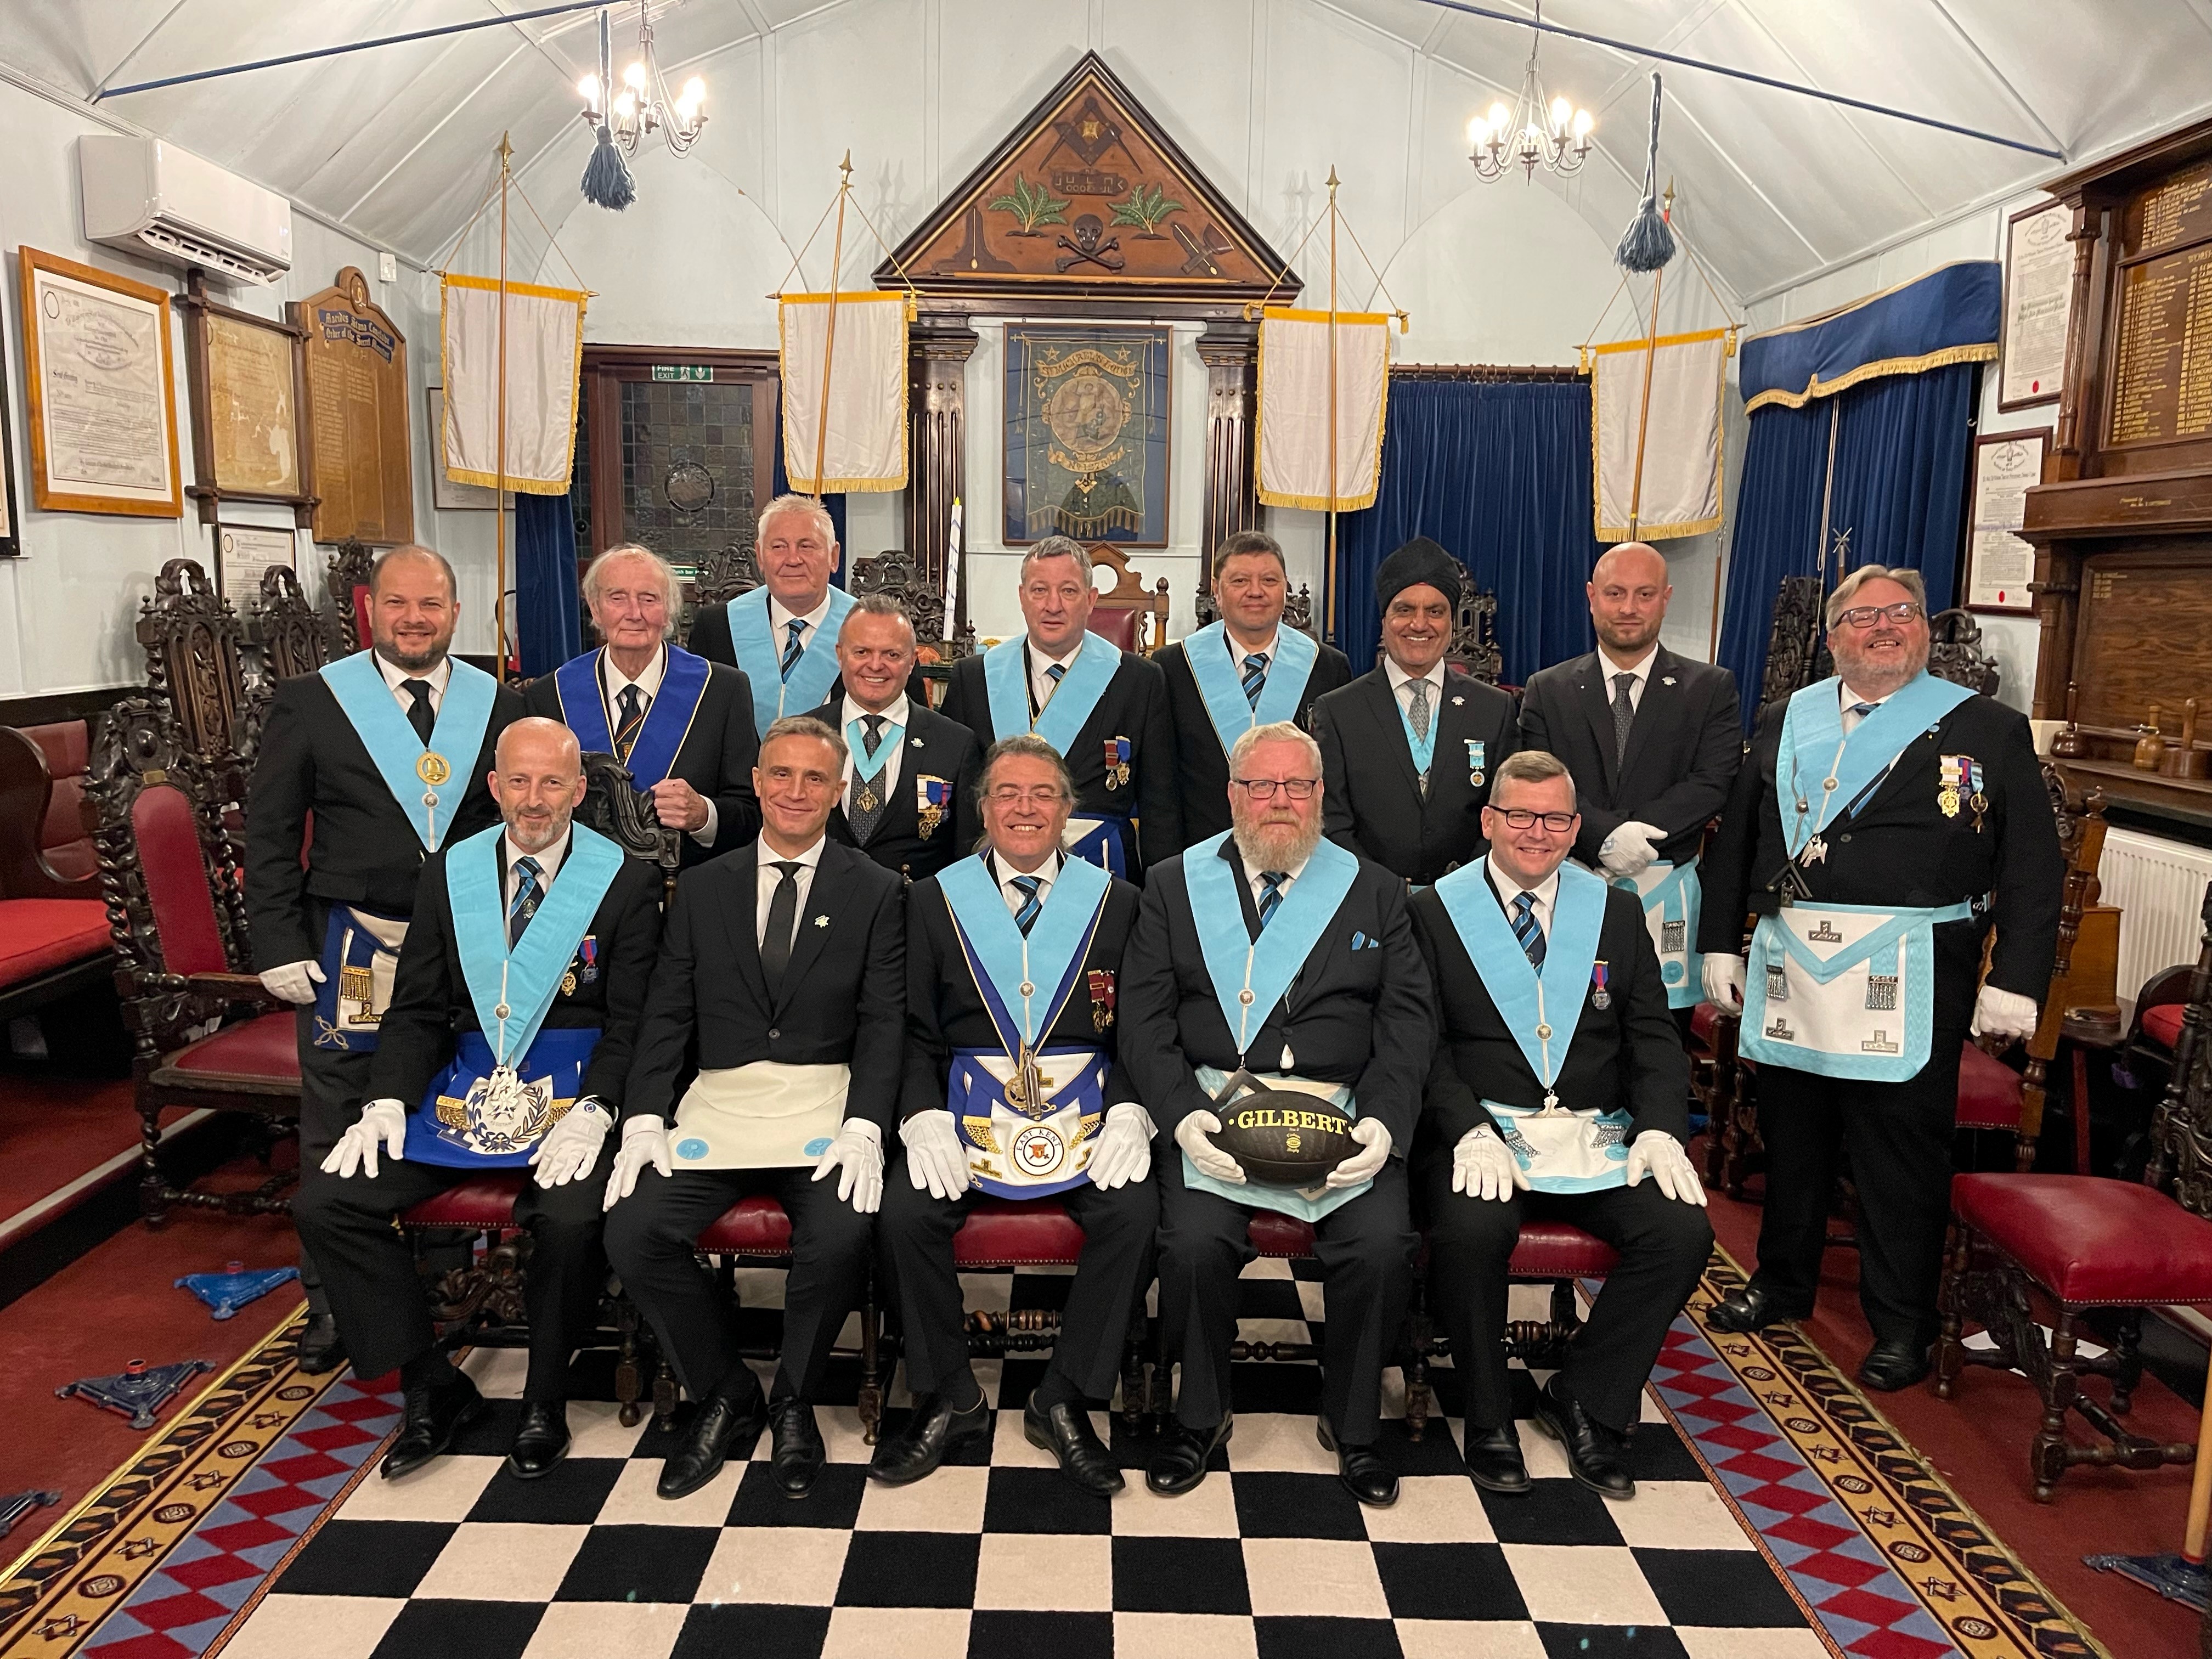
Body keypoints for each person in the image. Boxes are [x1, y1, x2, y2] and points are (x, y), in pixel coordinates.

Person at [1699, 566, 2061, 1390]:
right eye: (1864, 618)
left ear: (1925, 630)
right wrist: (1720, 943)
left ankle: (1902, 1322)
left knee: (1896, 1150)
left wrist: (2016, 981)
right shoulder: (1784, 720)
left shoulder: (1988, 729)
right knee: (1791, 1130)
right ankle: (1782, 1281)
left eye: (1902, 613)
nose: (1885, 628)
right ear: (1834, 639)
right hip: (1796, 956)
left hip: (1916, 966)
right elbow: (1742, 843)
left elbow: (2035, 869)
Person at [292, 719, 662, 1481]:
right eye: (519, 782)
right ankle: (431, 1383)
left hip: (570, 1094)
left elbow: (634, 1023)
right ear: (494, 787)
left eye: (553, 783)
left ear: (579, 792)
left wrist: (600, 1108)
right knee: (328, 1201)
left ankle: (545, 1398)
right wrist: (388, 1100)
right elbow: (420, 1008)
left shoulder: (623, 878)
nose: (535, 801)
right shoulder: (451, 872)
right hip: (461, 1091)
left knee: (566, 1220)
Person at [1121, 721, 1431, 1506]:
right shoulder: (1172, 883)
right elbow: (1145, 1021)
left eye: (1298, 786)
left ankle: (1354, 1424)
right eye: (1262, 785)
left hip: (1340, 1114)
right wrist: (1182, 1115)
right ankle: (1201, 1415)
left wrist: (1386, 1124)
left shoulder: (1375, 888)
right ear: (1233, 796)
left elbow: (1407, 1023)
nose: (1280, 801)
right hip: (1217, 1109)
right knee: (1190, 1244)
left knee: (1385, 1245)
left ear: (1321, 795)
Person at [603, 716, 905, 1499]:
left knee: (840, 1233)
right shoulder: (702, 888)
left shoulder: (875, 891)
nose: (795, 791)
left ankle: (795, 1399)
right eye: (781, 774)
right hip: (720, 1110)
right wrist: (642, 1116)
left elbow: (882, 1024)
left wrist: (868, 1126)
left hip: (821, 1109)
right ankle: (725, 1390)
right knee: (634, 1230)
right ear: (757, 781)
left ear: (839, 790)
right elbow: (667, 1013)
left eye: (814, 778)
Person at [245, 544, 522, 1373]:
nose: (413, 619)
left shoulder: (498, 704)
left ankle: (439, 1278)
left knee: (440, 1102)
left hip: (465, 943)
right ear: (370, 609)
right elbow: (267, 833)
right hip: (350, 941)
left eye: (430, 605)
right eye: (397, 604)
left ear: (455, 613)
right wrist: (278, 942)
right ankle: (334, 1305)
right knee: (339, 1122)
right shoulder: (313, 703)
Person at [1410, 749, 1711, 1500]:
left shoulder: (1611, 909)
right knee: (1471, 1231)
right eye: (1519, 815)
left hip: (1594, 1136)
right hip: (1483, 1135)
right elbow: (1421, 1046)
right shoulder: (1431, 911)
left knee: (1681, 1233)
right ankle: (1487, 1416)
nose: (1536, 833)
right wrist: (1464, 1127)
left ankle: (1587, 1396)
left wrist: (1660, 1129)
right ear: (1489, 821)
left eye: (1553, 819)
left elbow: (1651, 1037)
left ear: (1576, 827)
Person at [871, 736, 1153, 1493]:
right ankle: (950, 1396)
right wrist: (921, 1117)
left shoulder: (1120, 903)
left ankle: (1064, 1397)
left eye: (1041, 795)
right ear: (983, 808)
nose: (1023, 809)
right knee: (903, 1215)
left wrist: (1132, 1109)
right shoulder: (930, 900)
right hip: (967, 1116)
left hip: (1089, 1116)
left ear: (1067, 810)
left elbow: (1145, 1032)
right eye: (1006, 794)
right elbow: (910, 1030)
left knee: (1134, 1212)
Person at [1519, 542, 1740, 1011]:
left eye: (1644, 595)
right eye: (1616, 593)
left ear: (1666, 598)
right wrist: (1602, 837)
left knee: (1659, 1045)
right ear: (1592, 596)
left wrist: (1635, 833)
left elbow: (1714, 780)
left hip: (1668, 891)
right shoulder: (1547, 689)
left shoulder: (1710, 688)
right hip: (1571, 881)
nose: (1628, 608)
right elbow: (1538, 780)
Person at [939, 535, 1179, 874]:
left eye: (1068, 591)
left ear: (1091, 600)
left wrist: (1160, 897)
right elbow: (961, 800)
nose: (1053, 605)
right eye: (1039, 591)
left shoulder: (1140, 680)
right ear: (1022, 598)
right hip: (996, 870)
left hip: (1102, 872)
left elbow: (1161, 805)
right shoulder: (974, 678)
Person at [525, 543, 759, 861]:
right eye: (617, 598)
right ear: (596, 609)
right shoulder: (549, 696)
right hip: (578, 885)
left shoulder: (722, 690)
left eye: (649, 599)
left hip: (686, 890)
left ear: (669, 611)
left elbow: (752, 811)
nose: (634, 614)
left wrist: (704, 815)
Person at [1311, 537, 1518, 886]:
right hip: (1369, 901)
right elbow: (1332, 821)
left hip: (1469, 898)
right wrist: (1382, 888)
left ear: (1452, 621)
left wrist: (1465, 882)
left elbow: (1507, 811)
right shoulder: (1339, 710)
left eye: (1435, 611)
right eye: (1404, 610)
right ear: (1384, 619)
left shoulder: (1494, 709)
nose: (1419, 624)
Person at [1155, 529, 1352, 849]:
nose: (1256, 592)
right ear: (1217, 592)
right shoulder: (1173, 667)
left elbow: (1336, 782)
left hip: (1300, 851)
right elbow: (1161, 784)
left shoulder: (1329, 668)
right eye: (1240, 581)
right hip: (1199, 853)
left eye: (1270, 581)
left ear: (1286, 590)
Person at [687, 495, 927, 731]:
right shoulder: (718, 628)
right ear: (760, 556)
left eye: (807, 546)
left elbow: (913, 725)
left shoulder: (877, 629)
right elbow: (697, 725)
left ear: (834, 557)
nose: (793, 560)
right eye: (779, 547)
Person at [802, 594, 981, 883]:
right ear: (840, 654)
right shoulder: (802, 734)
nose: (875, 665)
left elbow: (968, 855)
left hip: (914, 915)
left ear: (912, 662)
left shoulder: (956, 744)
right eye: (862, 652)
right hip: (819, 908)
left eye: (892, 655)